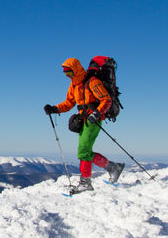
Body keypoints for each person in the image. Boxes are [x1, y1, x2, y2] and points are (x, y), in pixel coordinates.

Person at [44, 57, 124, 193]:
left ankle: (87, 182)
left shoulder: (92, 82)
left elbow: (106, 100)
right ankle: (112, 168)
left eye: (69, 73)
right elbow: (69, 102)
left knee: (83, 151)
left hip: (93, 120)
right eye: (65, 74)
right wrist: (55, 108)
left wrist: (97, 114)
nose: (67, 76)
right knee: (84, 151)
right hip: (84, 119)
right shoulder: (74, 85)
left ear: (76, 70)